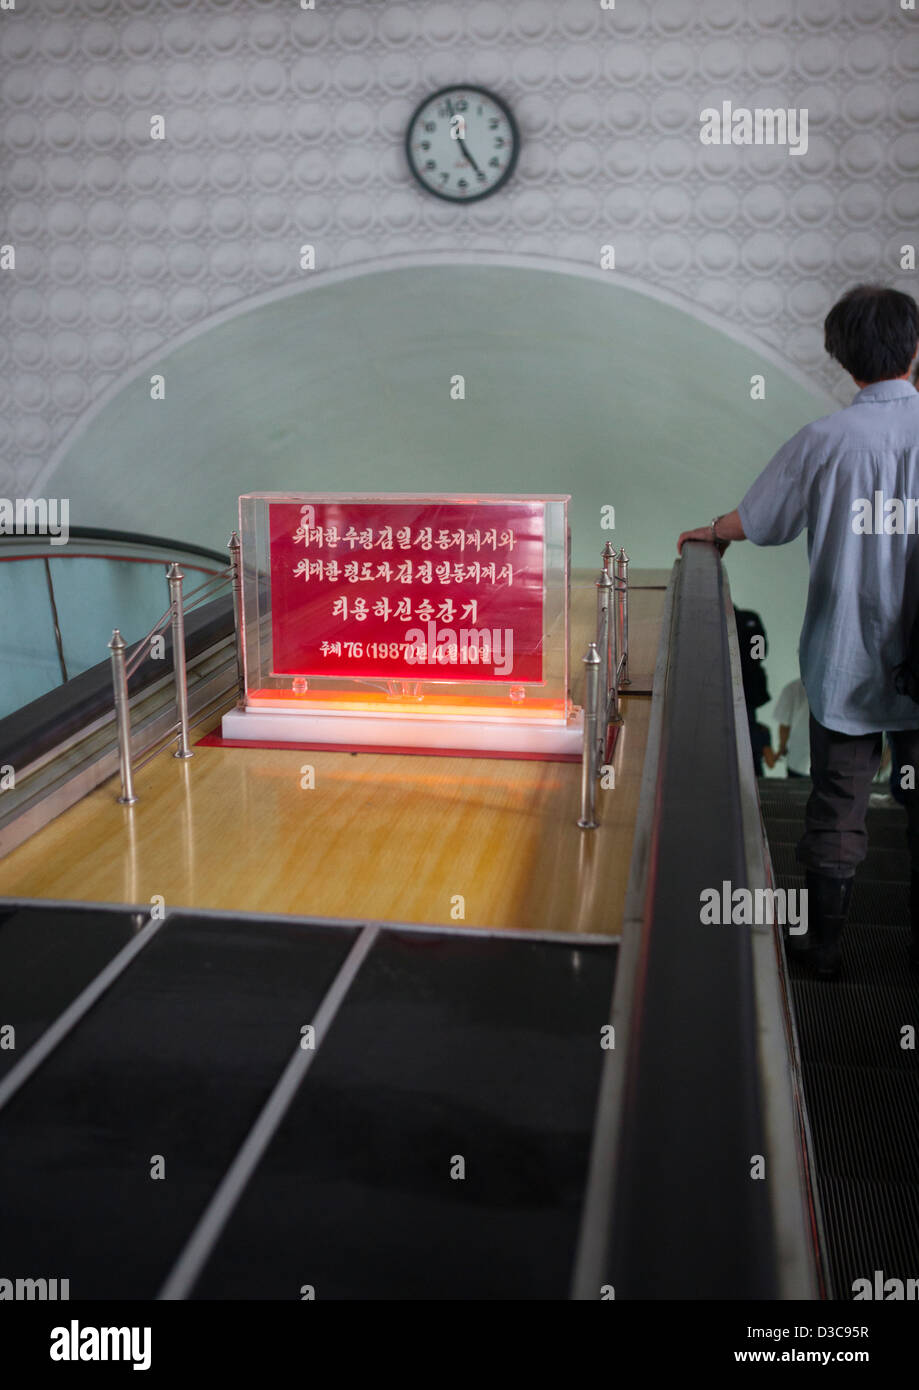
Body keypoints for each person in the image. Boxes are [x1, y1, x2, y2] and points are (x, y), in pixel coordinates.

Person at [678, 285, 919, 979]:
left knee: (837, 805)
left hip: (845, 659)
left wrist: (711, 533)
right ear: (913, 350)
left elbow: (760, 520)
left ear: (842, 359)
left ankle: (821, 950)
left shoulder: (824, 441)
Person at [772, 677, 810, 778]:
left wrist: (782, 747)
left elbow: (785, 725)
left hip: (797, 758)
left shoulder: (793, 687)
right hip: (829, 759)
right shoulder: (836, 685)